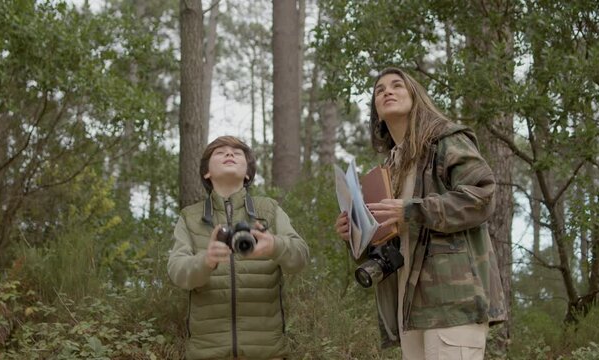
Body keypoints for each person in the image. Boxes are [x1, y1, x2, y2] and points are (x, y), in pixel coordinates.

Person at [335, 67, 506, 359]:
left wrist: (413, 210)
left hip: (453, 303)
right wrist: (356, 231)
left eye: (397, 85)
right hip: (410, 307)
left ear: (416, 97)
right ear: (376, 111)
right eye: (380, 90)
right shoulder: (390, 167)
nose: (387, 91)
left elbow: (483, 194)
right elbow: (394, 237)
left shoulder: (445, 140)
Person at [168, 135, 309, 360]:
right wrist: (206, 260)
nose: (230, 154)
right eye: (220, 152)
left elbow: (300, 257)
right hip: (207, 353)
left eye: (237, 152)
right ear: (206, 172)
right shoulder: (190, 217)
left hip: (267, 352)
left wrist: (275, 245)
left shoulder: (270, 210)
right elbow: (177, 272)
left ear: (247, 174)